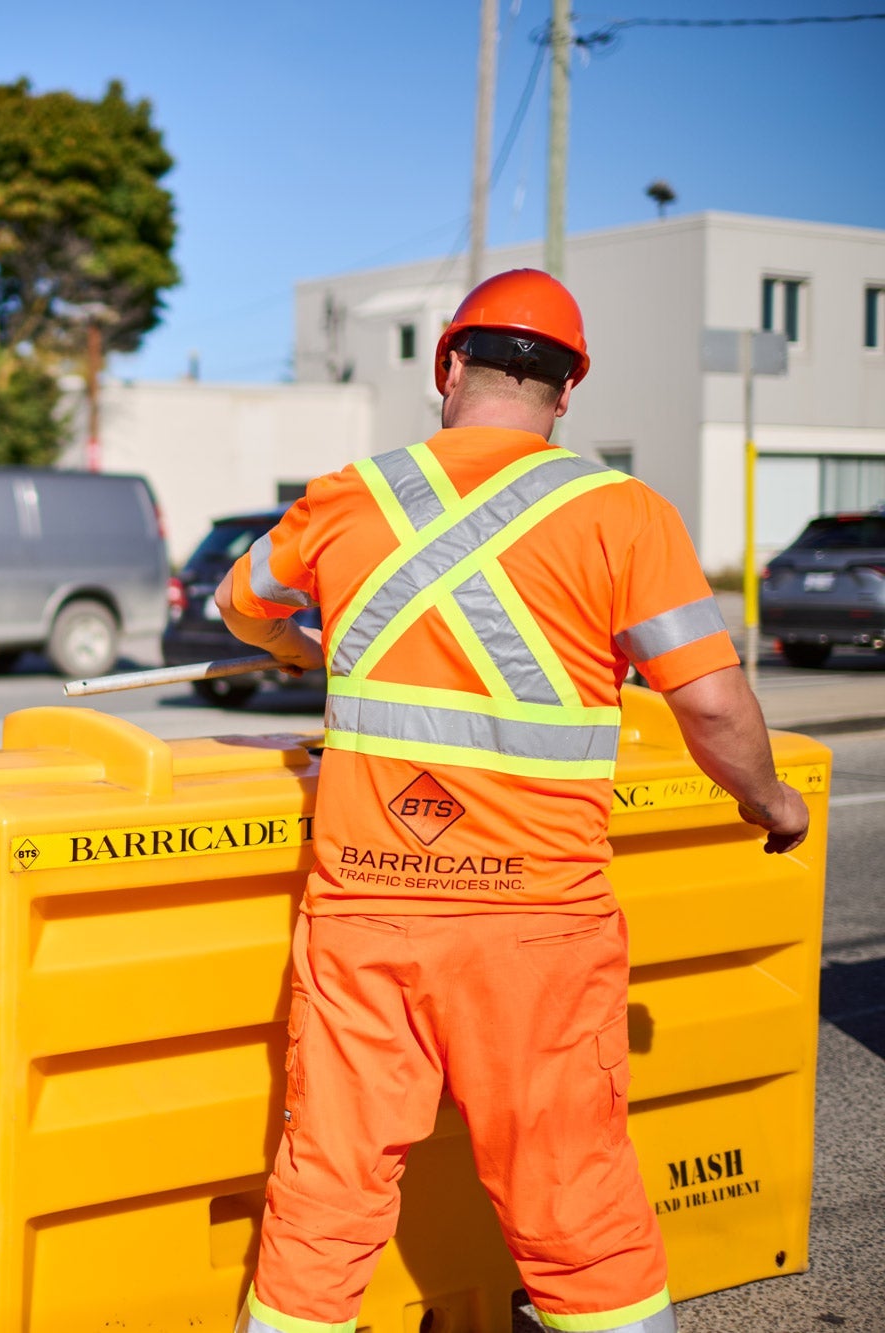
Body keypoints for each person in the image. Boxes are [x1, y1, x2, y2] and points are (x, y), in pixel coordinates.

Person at [216, 269, 810, 1333]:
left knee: (326, 1192)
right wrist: (771, 803)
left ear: (447, 365)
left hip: (366, 911)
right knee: (572, 1200)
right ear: (567, 391)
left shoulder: (348, 494)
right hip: (534, 924)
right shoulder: (622, 515)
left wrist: (304, 647)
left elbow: (237, 605)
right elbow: (713, 708)